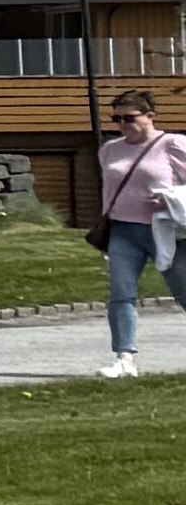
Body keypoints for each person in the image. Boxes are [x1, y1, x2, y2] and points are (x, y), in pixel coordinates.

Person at [104, 88, 183, 378]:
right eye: (117, 118)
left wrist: (171, 198)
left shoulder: (172, 144)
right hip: (123, 230)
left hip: (165, 231)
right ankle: (125, 359)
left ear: (150, 116)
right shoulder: (110, 150)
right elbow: (108, 190)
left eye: (130, 117)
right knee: (121, 294)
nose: (123, 124)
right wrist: (106, 223)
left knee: (183, 290)